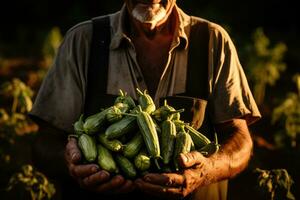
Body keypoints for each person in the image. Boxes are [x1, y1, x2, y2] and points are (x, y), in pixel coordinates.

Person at [29, 0, 261, 199]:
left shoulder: (212, 41)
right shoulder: (84, 41)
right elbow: (44, 142)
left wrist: (205, 171)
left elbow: (240, 139)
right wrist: (69, 162)